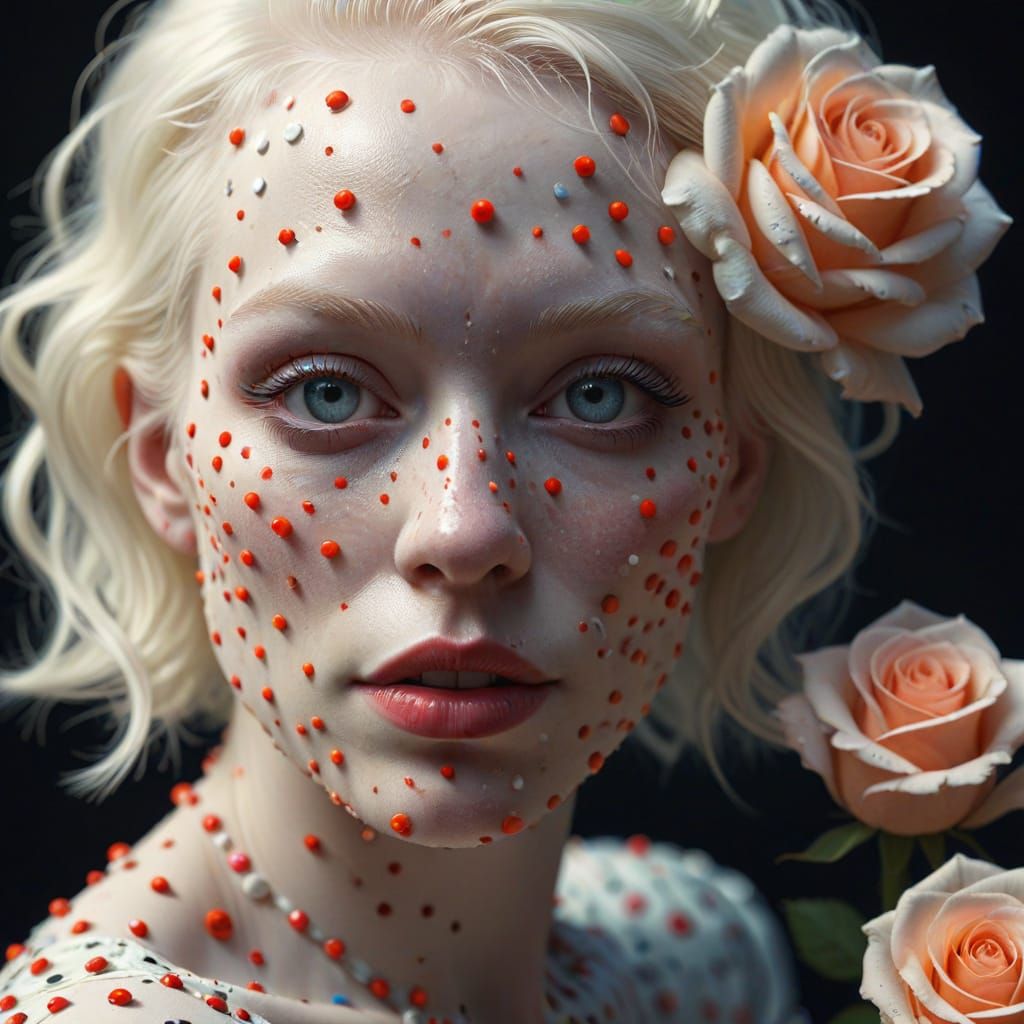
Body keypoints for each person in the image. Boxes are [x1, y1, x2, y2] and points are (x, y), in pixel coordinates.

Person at [0, 0, 893, 1020]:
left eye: (599, 394)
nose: (464, 530)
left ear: (732, 467)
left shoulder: (695, 957)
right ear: (160, 457)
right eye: (324, 392)